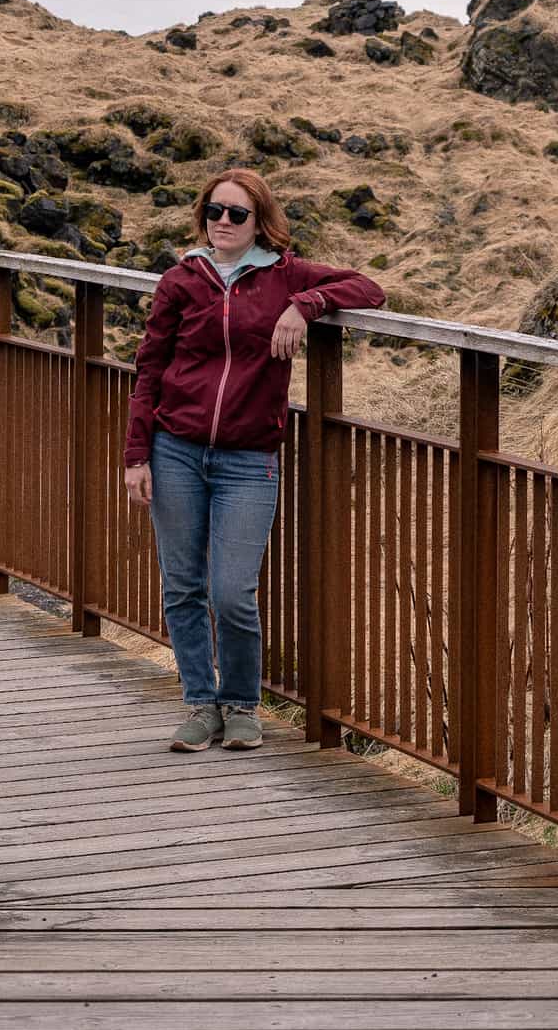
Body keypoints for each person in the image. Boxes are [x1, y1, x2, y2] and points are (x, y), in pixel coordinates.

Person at [123, 167, 386, 752]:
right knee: (183, 586)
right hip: (175, 452)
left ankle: (242, 702)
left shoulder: (284, 275)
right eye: (214, 211)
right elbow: (149, 370)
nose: (223, 222)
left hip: (248, 459)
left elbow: (369, 289)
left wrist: (306, 305)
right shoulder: (181, 280)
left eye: (236, 214)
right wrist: (136, 455)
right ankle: (200, 704)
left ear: (259, 221)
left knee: (232, 590)